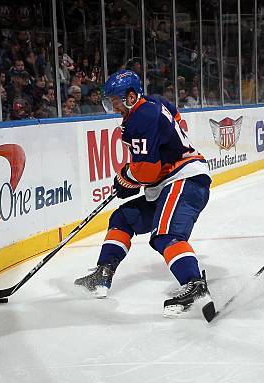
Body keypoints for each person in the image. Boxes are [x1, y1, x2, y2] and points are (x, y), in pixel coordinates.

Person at [74, 70, 214, 318]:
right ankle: (103, 274)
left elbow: (148, 172)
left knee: (166, 235)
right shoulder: (154, 103)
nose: (113, 107)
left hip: (184, 179)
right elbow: (177, 119)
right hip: (168, 182)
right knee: (122, 218)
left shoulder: (140, 119)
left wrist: (125, 177)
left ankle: (195, 285)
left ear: (130, 96)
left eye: (115, 100)